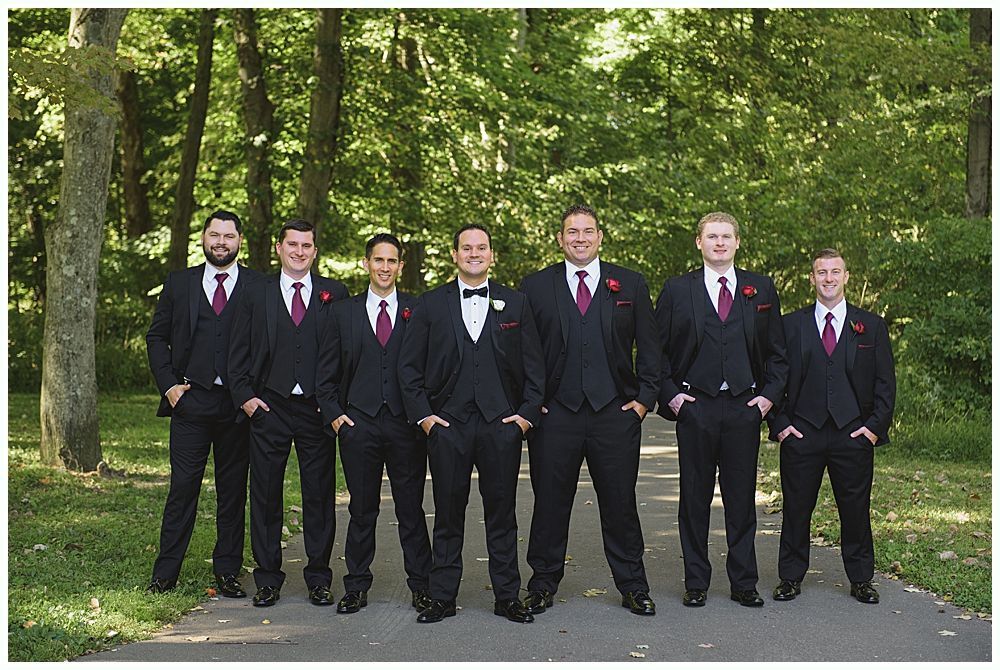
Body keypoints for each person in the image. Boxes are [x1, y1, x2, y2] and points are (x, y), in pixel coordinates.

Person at [398, 224, 544, 624]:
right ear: (454, 255)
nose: (474, 254)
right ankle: (442, 597)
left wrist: (525, 417)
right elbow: (408, 369)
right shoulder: (430, 305)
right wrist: (426, 418)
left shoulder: (515, 303)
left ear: (492, 255)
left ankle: (508, 596)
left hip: (502, 425)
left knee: (503, 513)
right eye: (467, 248)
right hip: (448, 426)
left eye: (481, 248)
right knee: (448, 513)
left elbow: (535, 366)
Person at [519, 204, 660, 617]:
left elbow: (650, 349)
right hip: (554, 415)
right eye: (572, 232)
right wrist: (533, 404)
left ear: (600, 236)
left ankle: (633, 585)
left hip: (614, 413)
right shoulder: (535, 286)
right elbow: (521, 353)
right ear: (560, 239)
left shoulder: (630, 284)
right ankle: (542, 583)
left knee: (620, 503)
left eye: (588, 231)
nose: (580, 238)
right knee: (549, 503)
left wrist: (642, 402)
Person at [654, 211, 787, 608]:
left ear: (737, 242)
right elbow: (655, 352)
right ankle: (696, 581)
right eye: (712, 236)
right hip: (696, 407)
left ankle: (744, 581)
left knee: (741, 498)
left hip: (744, 407)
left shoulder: (760, 289)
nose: (719, 243)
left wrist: (765, 400)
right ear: (699, 242)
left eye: (726, 236)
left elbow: (778, 355)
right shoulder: (678, 290)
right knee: (694, 498)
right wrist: (672, 396)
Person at [227, 219, 349, 607]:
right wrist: (245, 396)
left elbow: (346, 355)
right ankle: (267, 578)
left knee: (319, 495)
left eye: (306, 245)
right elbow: (236, 348)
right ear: (278, 248)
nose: (299, 251)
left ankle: (318, 578)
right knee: (264, 495)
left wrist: (335, 405)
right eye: (292, 244)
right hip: (269, 406)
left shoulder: (335, 293)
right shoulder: (254, 292)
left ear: (315, 251)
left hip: (317, 409)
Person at [767, 249, 895, 604]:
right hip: (802, 432)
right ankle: (790, 577)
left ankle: (861, 579)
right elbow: (774, 376)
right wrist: (779, 424)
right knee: (796, 507)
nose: (828, 278)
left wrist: (873, 428)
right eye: (821, 272)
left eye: (834, 272)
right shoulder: (790, 325)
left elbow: (886, 383)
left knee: (855, 509)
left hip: (852, 433)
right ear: (812, 278)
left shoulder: (870, 326)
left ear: (846, 276)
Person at [315, 233, 433, 615]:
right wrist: (337, 418)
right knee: (362, 509)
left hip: (406, 427)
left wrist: (424, 416)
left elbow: (431, 369)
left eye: (392, 261)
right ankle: (356, 586)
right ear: (366, 263)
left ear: (400, 266)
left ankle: (422, 586)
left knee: (410, 510)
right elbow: (326, 374)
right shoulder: (342, 313)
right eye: (378, 260)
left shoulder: (418, 310)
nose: (385, 267)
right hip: (358, 425)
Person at [145, 210, 260, 597]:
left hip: (236, 407)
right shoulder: (180, 283)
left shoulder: (257, 286)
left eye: (229, 236)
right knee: (183, 488)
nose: (221, 242)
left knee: (232, 491)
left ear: (240, 241)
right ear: (204, 239)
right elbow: (156, 337)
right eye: (215, 235)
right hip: (190, 403)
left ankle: (227, 572)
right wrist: (169, 387)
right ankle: (165, 574)